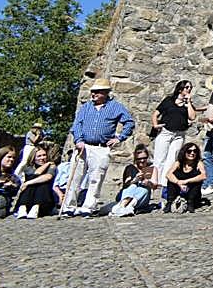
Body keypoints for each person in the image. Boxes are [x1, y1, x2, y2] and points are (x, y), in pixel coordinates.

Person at [66, 77, 135, 216]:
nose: (93, 94)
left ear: (105, 93)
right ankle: (69, 206)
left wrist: (119, 138)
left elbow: (129, 122)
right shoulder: (86, 107)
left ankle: (88, 207)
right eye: (93, 92)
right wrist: (78, 140)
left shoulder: (115, 107)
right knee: (75, 178)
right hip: (83, 146)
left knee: (96, 178)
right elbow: (76, 125)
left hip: (101, 148)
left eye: (97, 92)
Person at [150, 79, 197, 186]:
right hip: (166, 132)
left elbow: (192, 117)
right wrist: (155, 125)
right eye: (187, 87)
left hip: (179, 134)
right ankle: (154, 180)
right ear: (180, 89)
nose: (189, 89)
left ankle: (165, 181)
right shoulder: (169, 100)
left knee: (172, 158)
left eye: (190, 88)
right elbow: (155, 113)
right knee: (160, 157)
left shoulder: (188, 104)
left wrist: (189, 102)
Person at [110, 144, 159, 217]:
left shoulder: (152, 169)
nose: (142, 160)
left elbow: (155, 185)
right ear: (135, 158)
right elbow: (126, 185)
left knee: (144, 190)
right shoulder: (130, 168)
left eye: (144, 158)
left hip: (141, 198)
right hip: (126, 195)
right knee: (133, 186)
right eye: (139, 159)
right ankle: (123, 205)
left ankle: (127, 206)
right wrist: (135, 180)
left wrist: (148, 183)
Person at [12, 145, 56, 219]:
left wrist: (27, 183)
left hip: (45, 201)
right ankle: (22, 208)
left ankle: (36, 207)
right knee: (32, 178)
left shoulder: (52, 166)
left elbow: (48, 177)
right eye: (39, 156)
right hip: (29, 199)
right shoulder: (28, 167)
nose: (42, 158)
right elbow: (36, 173)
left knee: (43, 182)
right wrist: (28, 183)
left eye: (44, 155)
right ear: (33, 158)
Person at [164, 143, 206, 212]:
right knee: (171, 179)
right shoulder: (178, 163)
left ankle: (190, 203)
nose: (192, 153)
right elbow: (168, 174)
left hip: (192, 191)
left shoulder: (198, 163)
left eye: (195, 151)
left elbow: (203, 176)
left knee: (198, 180)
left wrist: (186, 181)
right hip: (179, 190)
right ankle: (170, 202)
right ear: (184, 152)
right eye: (189, 151)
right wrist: (178, 182)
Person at [0, 147, 20, 219]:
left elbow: (17, 187)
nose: (11, 160)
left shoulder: (13, 177)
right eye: (9, 157)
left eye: (13, 158)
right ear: (1, 156)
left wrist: (11, 185)